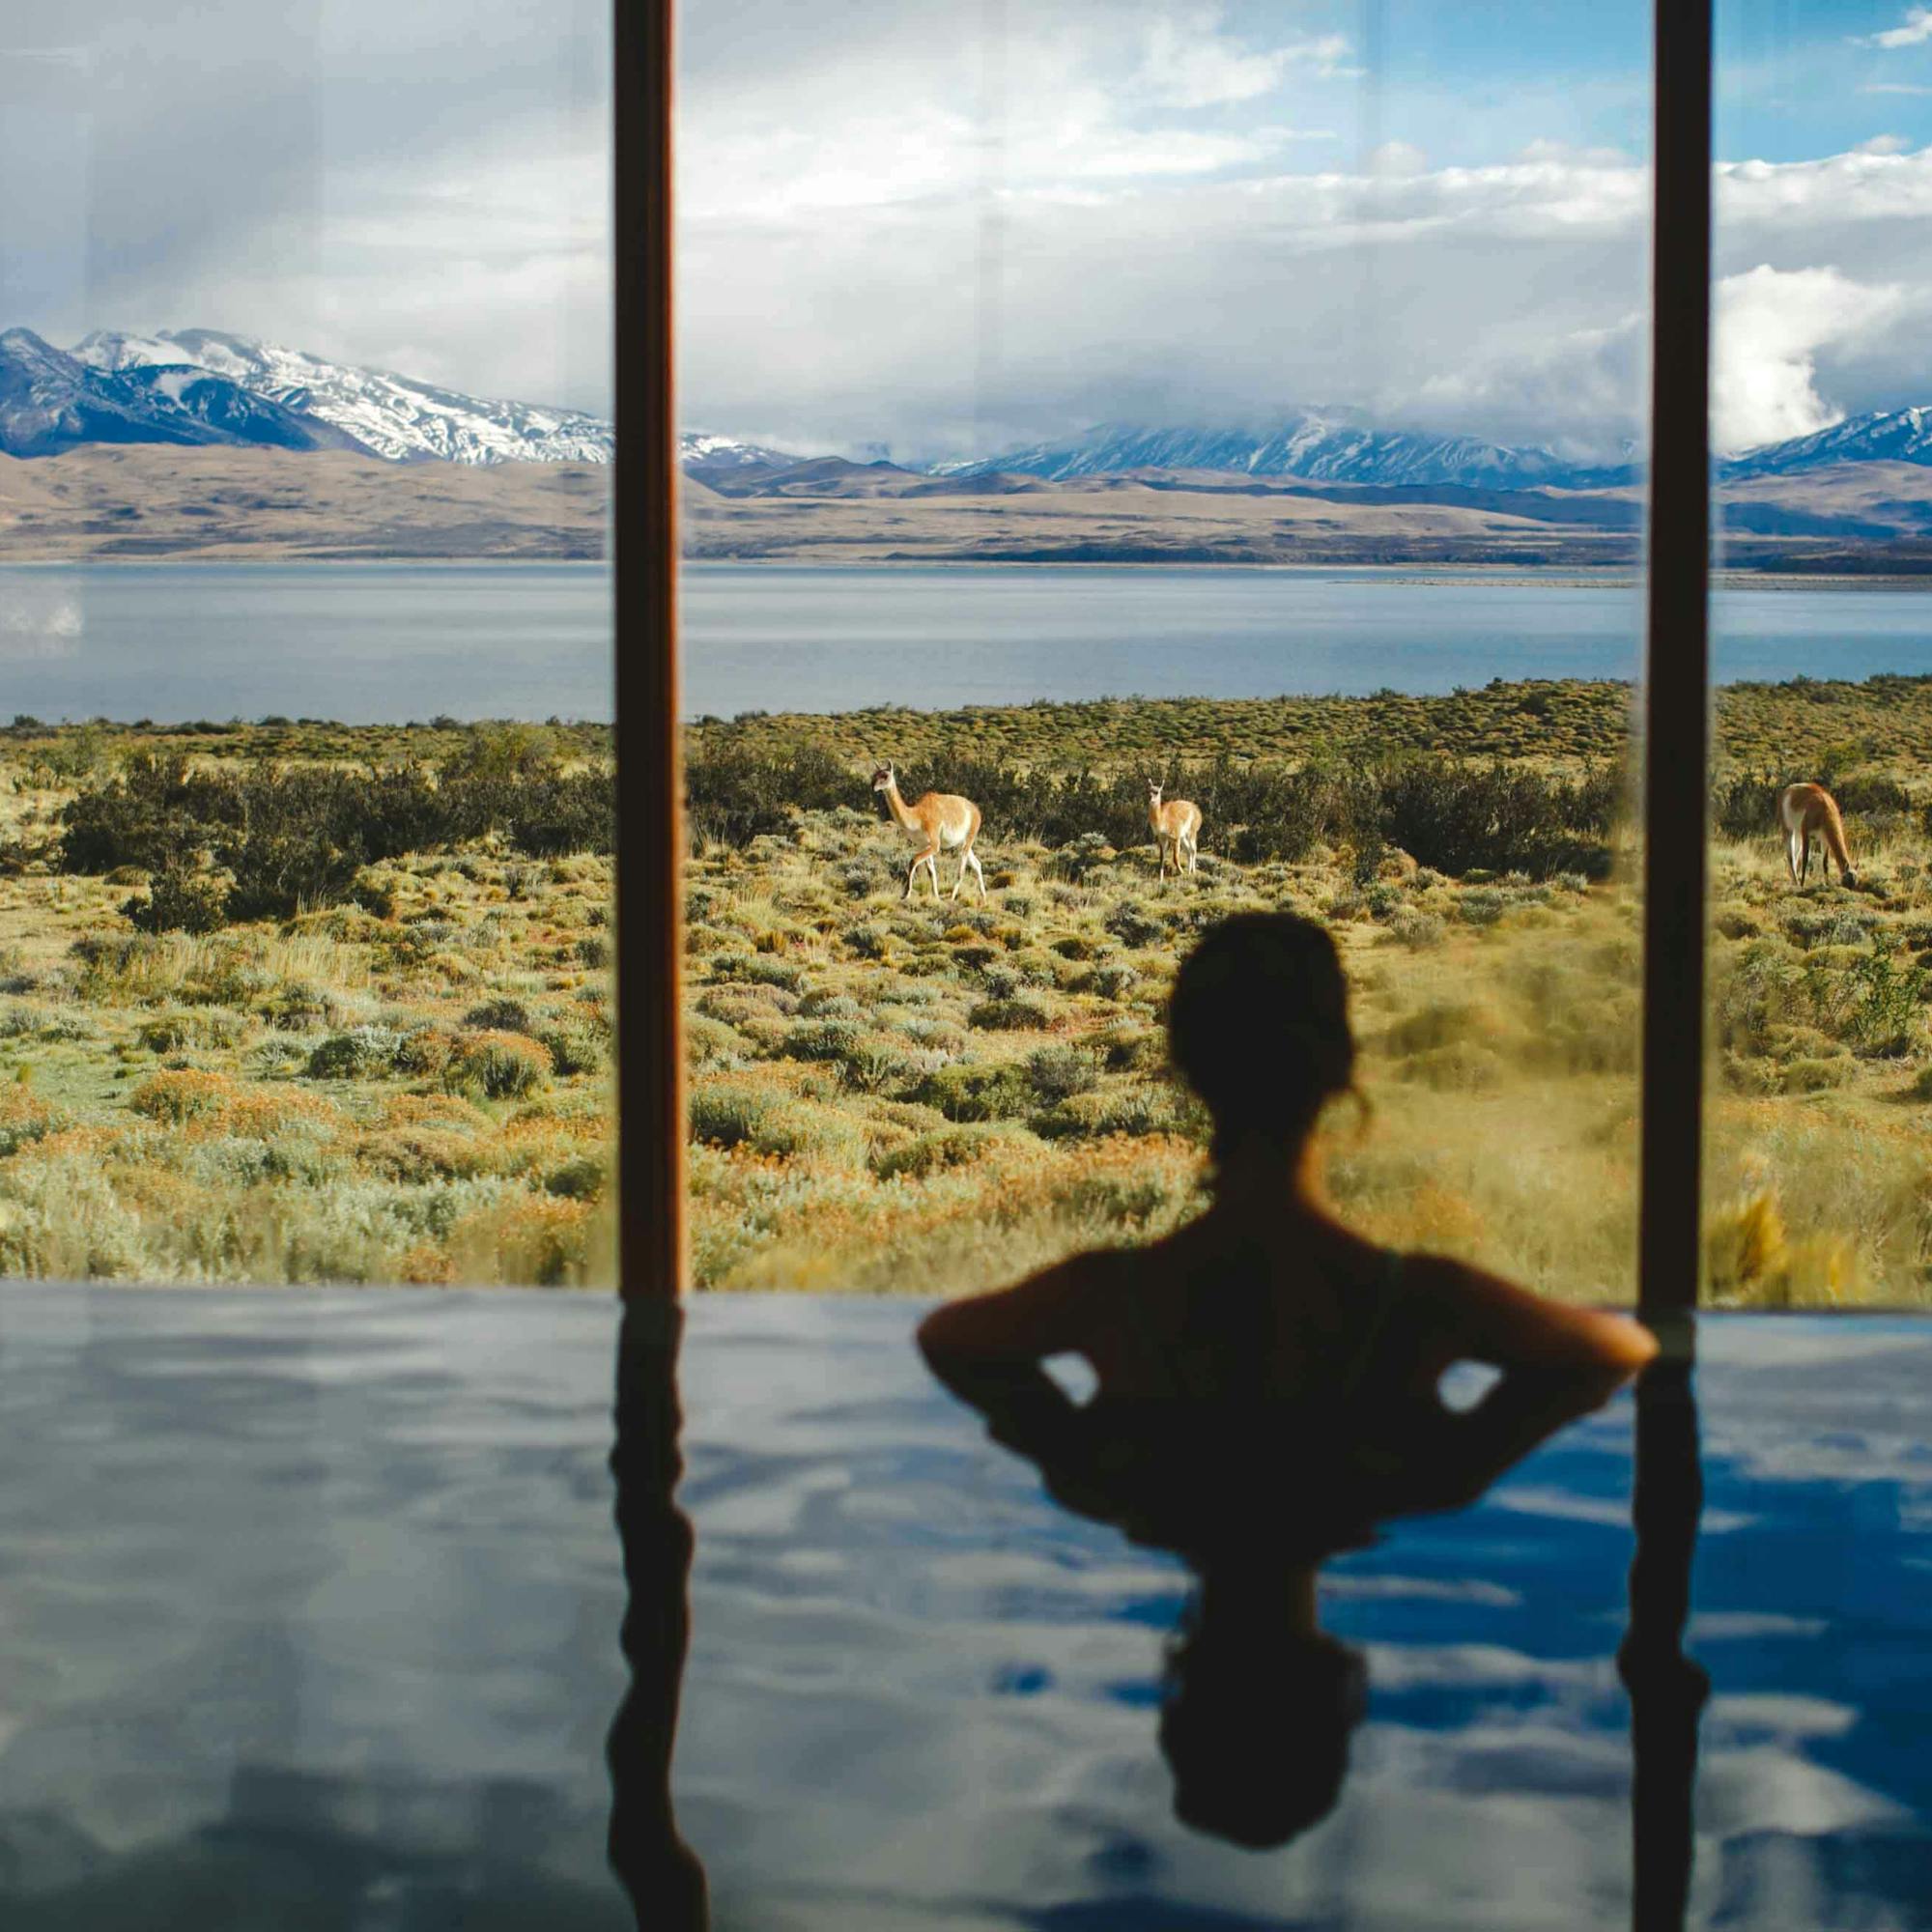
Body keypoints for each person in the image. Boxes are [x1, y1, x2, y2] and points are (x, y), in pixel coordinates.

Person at [916, 912, 1658, 1846]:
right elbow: (1617, 1351)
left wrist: (1063, 1437)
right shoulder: (1418, 1325)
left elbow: (950, 1339)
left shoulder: (1116, 1308)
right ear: (1341, 1069)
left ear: (1186, 1069)